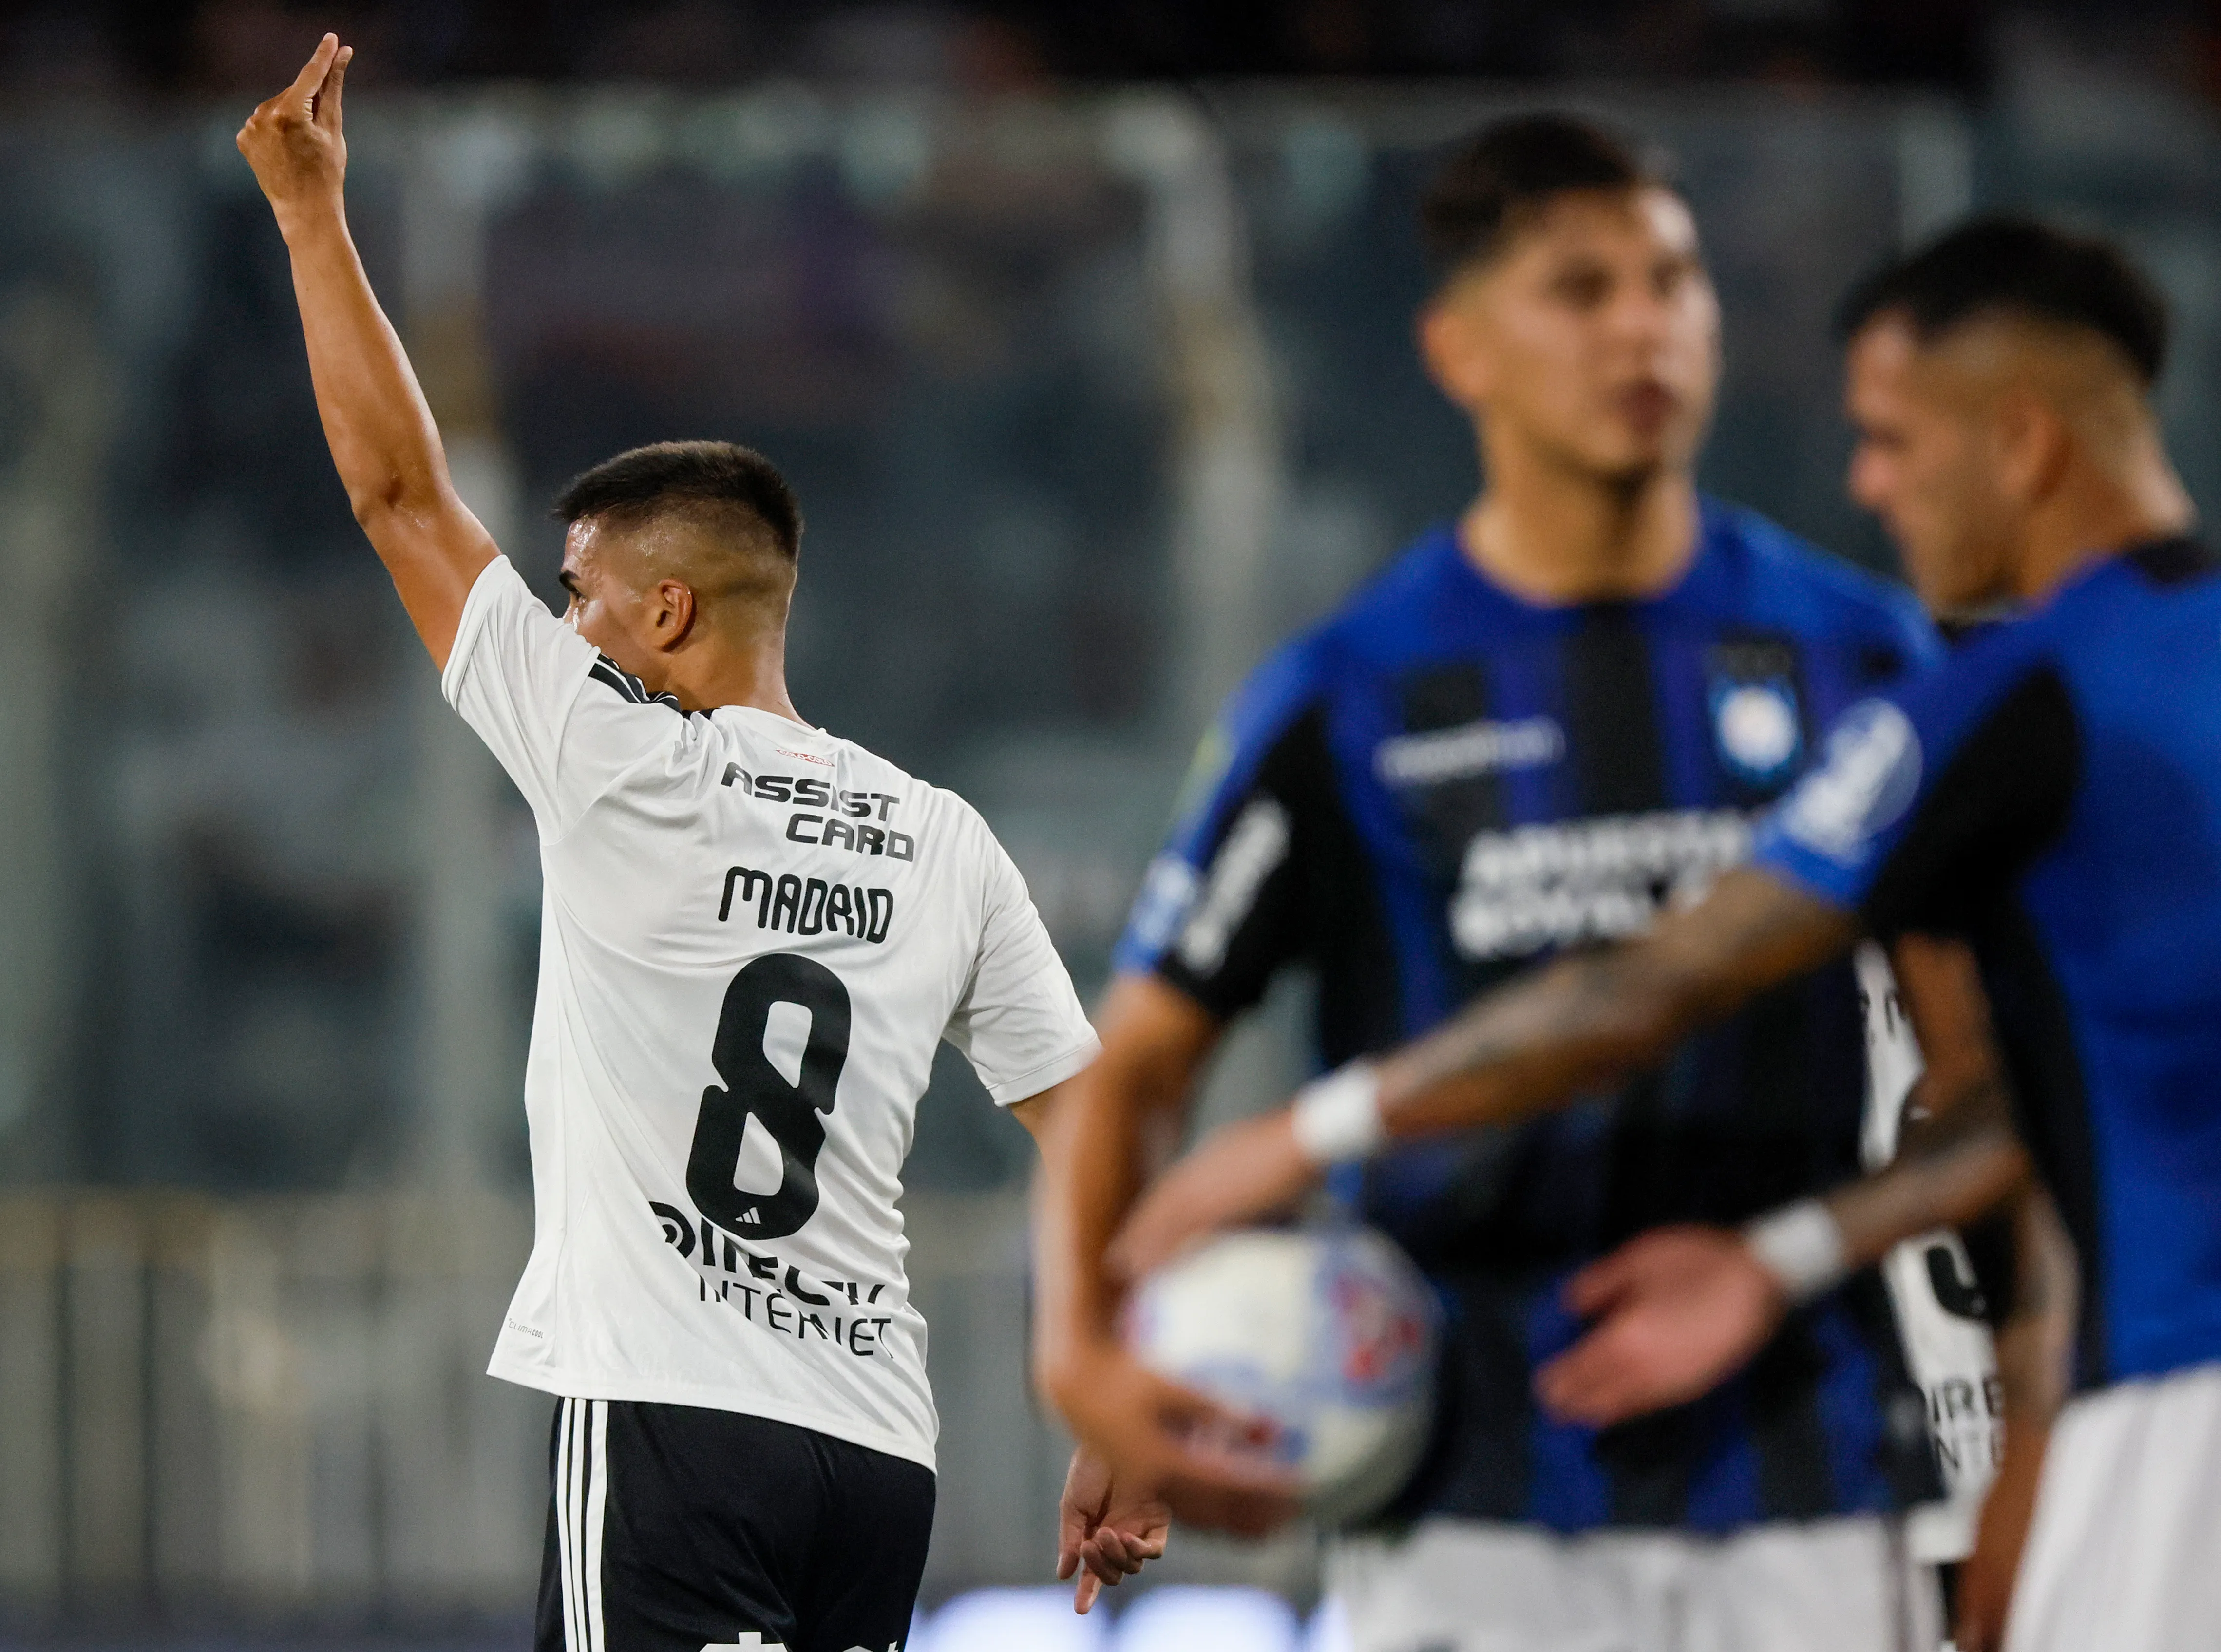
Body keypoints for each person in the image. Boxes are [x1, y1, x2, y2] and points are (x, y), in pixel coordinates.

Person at [1105, 215, 2214, 1652]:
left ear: (2021, 444)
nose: (1868, 485)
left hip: (2180, 1412)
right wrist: (1789, 1255)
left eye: (1889, 440)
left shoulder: (2002, 695)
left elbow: (1660, 982)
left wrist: (1302, 1134)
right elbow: (2021, 1105)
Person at [1035, 114, 1967, 1650]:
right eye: (1580, 289)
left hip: (1805, 1475)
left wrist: (1790, 1254)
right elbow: (1135, 1065)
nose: (1641, 328)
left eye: (1672, 281)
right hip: (1461, 1500)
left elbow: (1987, 1077)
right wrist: (1085, 1357)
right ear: (1457, 348)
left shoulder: (1862, 659)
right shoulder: (1345, 697)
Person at [239, 39, 1103, 1652]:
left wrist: (310, 217)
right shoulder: (943, 836)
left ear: (664, 610)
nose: (561, 620)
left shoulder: (613, 755)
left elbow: (398, 494)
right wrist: (1118, 1401)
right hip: (871, 1451)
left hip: (668, 1423)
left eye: (577, 593)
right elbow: (1100, 1128)